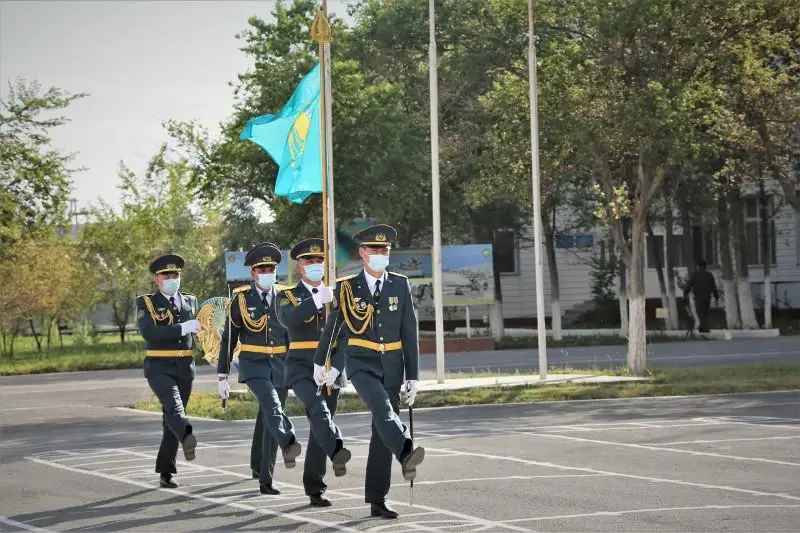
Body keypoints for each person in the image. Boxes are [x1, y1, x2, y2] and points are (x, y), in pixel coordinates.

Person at [314, 224, 424, 519]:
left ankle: (377, 499)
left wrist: (413, 375)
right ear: (363, 252)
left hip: (393, 364)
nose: (380, 254)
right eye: (375, 250)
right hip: (361, 363)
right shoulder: (348, 287)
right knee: (382, 408)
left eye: (385, 250)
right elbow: (334, 329)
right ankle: (405, 450)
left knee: (380, 433)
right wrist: (321, 362)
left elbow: (409, 330)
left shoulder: (400, 284)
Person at [216, 242, 301, 495]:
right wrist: (223, 375)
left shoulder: (287, 297)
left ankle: (261, 471)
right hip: (254, 365)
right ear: (253, 273)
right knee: (272, 406)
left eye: (271, 268)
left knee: (268, 419)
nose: (267, 273)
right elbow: (229, 339)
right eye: (262, 269)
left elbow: (293, 335)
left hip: (281, 366)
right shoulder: (240, 299)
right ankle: (288, 442)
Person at [276, 237, 353, 507]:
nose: (315, 264)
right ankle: (337, 449)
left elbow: (344, 336)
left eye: (319, 260)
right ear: (299, 266)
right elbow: (288, 320)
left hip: (330, 367)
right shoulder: (286, 296)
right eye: (309, 260)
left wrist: (338, 368)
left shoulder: (336, 296)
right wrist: (316, 302)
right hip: (300, 366)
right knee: (318, 411)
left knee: (321, 425)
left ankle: (315, 487)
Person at [136, 253, 200, 489]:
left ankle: (166, 471)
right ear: (158, 279)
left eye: (175, 275)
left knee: (169, 420)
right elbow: (150, 333)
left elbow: (202, 329)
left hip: (185, 366)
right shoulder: (147, 303)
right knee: (175, 408)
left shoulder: (191, 301)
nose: (172, 279)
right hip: (159, 366)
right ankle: (187, 434)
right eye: (167, 275)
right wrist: (182, 327)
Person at [684, 258, 719, 333]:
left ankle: (703, 329)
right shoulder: (709, 275)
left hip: (698, 299)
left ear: (698, 266)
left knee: (700, 314)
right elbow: (714, 287)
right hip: (707, 298)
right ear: (705, 266)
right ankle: (705, 329)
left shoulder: (694, 275)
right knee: (705, 314)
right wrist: (716, 298)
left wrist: (685, 294)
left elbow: (688, 286)